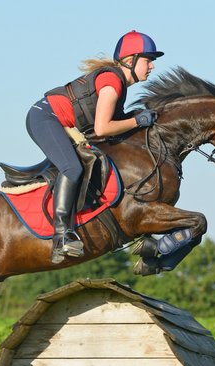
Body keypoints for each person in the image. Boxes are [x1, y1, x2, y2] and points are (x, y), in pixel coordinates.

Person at [26, 30, 163, 264]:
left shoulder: (120, 85)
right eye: (148, 60)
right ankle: (61, 236)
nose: (151, 67)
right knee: (72, 168)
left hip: (59, 122)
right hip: (45, 118)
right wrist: (136, 121)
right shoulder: (112, 83)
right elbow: (102, 129)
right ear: (130, 60)